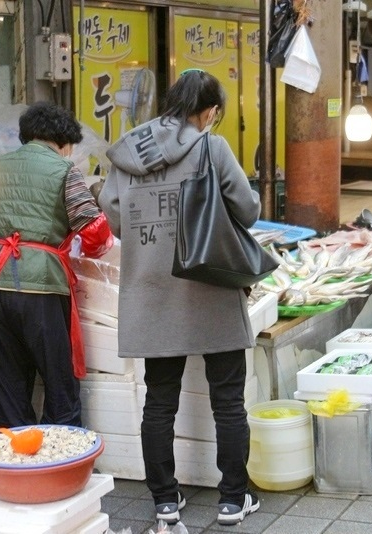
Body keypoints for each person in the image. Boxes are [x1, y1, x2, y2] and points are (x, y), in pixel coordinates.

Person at [98, 69, 261, 526]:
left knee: (159, 400)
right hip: (210, 283)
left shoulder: (128, 149)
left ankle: (165, 501)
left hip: (151, 291)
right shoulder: (211, 146)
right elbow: (246, 209)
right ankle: (232, 499)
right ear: (209, 111)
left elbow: (112, 217)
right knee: (228, 399)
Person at [0, 102, 113, 429]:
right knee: (59, 379)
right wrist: (88, 248)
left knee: (6, 381)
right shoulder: (63, 170)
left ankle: (16, 461)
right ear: (63, 141)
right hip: (39, 285)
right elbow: (94, 227)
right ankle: (60, 458)